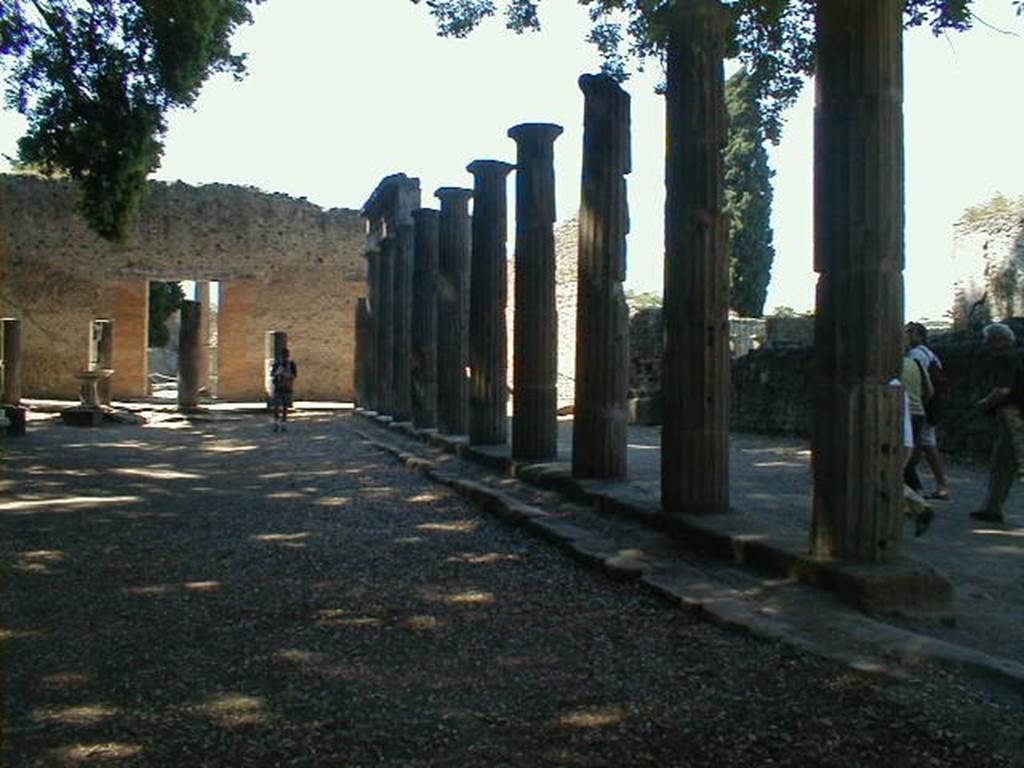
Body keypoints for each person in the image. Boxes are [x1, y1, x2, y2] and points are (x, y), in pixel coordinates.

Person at [971, 322, 1024, 523]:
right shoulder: (1019, 354)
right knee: (1005, 462)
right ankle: (992, 507)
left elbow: (1003, 390)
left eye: (987, 341)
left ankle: (993, 508)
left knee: (1005, 462)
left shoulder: (1004, 358)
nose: (984, 345)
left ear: (997, 341)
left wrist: (984, 403)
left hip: (1013, 413)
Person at [905, 322, 951, 500]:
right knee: (922, 444)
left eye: (910, 332)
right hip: (929, 404)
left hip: (924, 405)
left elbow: (922, 383)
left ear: (918, 335)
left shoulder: (916, 355)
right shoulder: (929, 353)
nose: (907, 335)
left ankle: (939, 486)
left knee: (926, 444)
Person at [270, 347, 297, 432]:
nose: (285, 357)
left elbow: (294, 375)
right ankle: (277, 423)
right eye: (284, 356)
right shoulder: (277, 364)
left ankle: (283, 423)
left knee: (285, 406)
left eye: (286, 356)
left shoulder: (291, 364)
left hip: (287, 387)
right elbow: (272, 374)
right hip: (278, 387)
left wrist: (286, 375)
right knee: (276, 406)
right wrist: (278, 372)